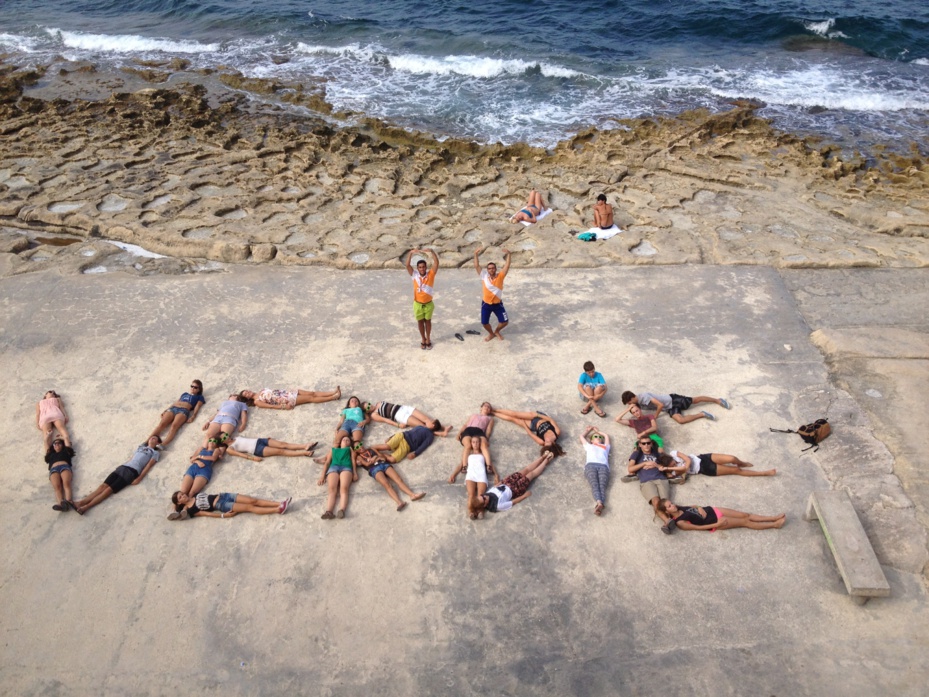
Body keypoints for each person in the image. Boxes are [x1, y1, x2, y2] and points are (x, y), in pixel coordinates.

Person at [73, 436, 162, 514]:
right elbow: (132, 458)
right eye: (151, 437)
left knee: (108, 490)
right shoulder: (141, 447)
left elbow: (149, 465)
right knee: (102, 486)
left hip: (132, 471)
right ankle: (81, 503)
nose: (152, 438)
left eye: (155, 438)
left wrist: (139, 478)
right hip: (123, 467)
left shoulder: (155, 453)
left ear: (158, 442)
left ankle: (86, 507)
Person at [468, 451, 554, 516]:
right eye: (484, 498)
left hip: (507, 482)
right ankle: (546, 460)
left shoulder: (487, 495)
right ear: (485, 504)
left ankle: (542, 457)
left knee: (526, 469)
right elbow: (513, 502)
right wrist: (524, 496)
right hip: (515, 489)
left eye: (482, 495)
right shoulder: (498, 505)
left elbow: (495, 487)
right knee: (531, 474)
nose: (485, 496)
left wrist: (503, 480)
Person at [626, 437, 675, 533]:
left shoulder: (656, 453)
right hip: (646, 481)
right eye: (643, 443)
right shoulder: (637, 454)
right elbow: (630, 469)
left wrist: (655, 465)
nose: (646, 445)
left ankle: (669, 522)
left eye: (648, 443)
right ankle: (667, 521)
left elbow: (665, 467)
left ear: (651, 444)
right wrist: (644, 463)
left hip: (661, 479)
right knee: (655, 501)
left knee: (665, 503)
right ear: (639, 445)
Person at [357, 448, 426, 511]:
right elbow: (366, 464)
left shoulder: (371, 449)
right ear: (355, 450)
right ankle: (399, 502)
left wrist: (375, 457)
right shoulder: (359, 457)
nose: (360, 447)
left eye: (360, 444)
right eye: (357, 447)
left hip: (384, 464)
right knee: (386, 484)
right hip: (374, 469)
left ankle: (412, 495)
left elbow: (383, 457)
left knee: (398, 479)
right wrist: (376, 458)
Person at [657, 499, 786, 532]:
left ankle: (773, 517)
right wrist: (717, 525)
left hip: (713, 510)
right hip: (715, 521)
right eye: (669, 506)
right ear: (667, 512)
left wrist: (700, 508)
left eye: (671, 503)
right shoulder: (680, 522)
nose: (673, 505)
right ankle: (774, 525)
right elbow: (699, 528)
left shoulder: (679, 507)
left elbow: (695, 505)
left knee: (745, 514)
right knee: (745, 522)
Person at [449, 435, 499, 517]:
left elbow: (491, 465)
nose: (475, 444)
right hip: (471, 475)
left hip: (481, 475)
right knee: (471, 495)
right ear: (471, 444)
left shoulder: (483, 454)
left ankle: (480, 511)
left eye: (477, 442)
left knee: (481, 495)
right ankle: (471, 511)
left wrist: (496, 474)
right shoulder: (468, 454)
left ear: (479, 443)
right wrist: (453, 475)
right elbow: (461, 465)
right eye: (473, 442)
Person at [314, 396, 371, 468]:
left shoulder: (361, 409)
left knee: (357, 443)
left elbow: (368, 419)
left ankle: (357, 459)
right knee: (337, 441)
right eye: (352, 401)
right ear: (349, 405)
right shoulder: (346, 410)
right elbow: (341, 421)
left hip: (357, 424)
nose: (354, 402)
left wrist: (364, 422)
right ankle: (326, 458)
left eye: (356, 401)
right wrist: (337, 428)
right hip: (346, 424)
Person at [148, 379, 205, 447]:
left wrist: (193, 416)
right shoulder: (184, 394)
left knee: (174, 426)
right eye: (192, 386)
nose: (193, 388)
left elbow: (197, 406)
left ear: (199, 389)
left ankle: (162, 445)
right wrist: (166, 410)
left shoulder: (199, 397)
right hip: (173, 408)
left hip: (183, 410)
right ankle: (147, 441)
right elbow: (176, 402)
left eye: (195, 387)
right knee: (162, 424)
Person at [621, 390, 730, 425]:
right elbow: (637, 413)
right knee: (680, 420)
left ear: (632, 399)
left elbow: (660, 405)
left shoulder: (644, 397)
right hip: (669, 408)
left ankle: (718, 400)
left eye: (628, 403)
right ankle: (702, 414)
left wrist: (655, 416)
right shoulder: (638, 403)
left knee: (695, 400)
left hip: (672, 400)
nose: (629, 405)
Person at [489, 407, 564, 457]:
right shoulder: (557, 432)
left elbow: (530, 434)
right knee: (515, 414)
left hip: (533, 425)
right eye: (548, 443)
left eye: (545, 444)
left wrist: (523, 424)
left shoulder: (541, 442)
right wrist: (537, 415)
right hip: (541, 417)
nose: (546, 441)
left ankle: (493, 413)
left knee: (513, 419)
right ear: (553, 443)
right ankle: (495, 409)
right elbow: (550, 420)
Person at [473, 245, 511, 341]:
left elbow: (507, 266)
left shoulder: (501, 276)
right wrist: (475, 254)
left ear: (495, 269)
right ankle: (491, 334)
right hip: (486, 304)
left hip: (498, 304)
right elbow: (476, 266)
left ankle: (497, 331)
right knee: (484, 323)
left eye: (493, 268)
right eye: (489, 268)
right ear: (487, 270)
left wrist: (509, 254)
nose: (491, 270)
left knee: (505, 321)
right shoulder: (484, 276)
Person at [169, 491, 291, 520]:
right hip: (222, 504)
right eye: (180, 497)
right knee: (250, 508)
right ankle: (277, 509)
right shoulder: (191, 510)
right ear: (179, 502)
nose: (183, 495)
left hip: (225, 495)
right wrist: (223, 515)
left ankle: (280, 503)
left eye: (182, 494)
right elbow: (206, 513)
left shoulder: (194, 494)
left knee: (253, 501)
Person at [657, 452, 776, 481]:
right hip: (705, 469)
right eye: (672, 464)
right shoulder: (672, 472)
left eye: (673, 461)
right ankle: (764, 473)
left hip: (703, 458)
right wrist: (669, 469)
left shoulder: (673, 454)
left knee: (732, 458)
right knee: (736, 470)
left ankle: (743, 462)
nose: (674, 463)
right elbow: (683, 469)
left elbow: (687, 460)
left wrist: (684, 467)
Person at [317, 435, 358, 519]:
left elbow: (353, 461)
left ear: (350, 443)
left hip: (346, 467)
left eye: (348, 440)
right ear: (340, 442)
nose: (346, 441)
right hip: (334, 467)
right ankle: (329, 511)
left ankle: (342, 510)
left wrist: (355, 473)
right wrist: (322, 476)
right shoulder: (333, 450)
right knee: (332, 489)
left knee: (344, 488)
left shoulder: (350, 449)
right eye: (344, 439)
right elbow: (327, 462)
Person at [406, 248, 439, 350]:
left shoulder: (431, 275)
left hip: (428, 304)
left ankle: (428, 339)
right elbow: (407, 265)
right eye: (419, 267)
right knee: (420, 322)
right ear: (417, 268)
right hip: (417, 304)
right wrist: (410, 253)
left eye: (423, 267)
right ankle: (423, 339)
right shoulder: (414, 275)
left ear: (425, 267)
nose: (422, 269)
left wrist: (432, 252)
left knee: (428, 321)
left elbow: (436, 263)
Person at [366, 401, 451, 435]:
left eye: (368, 404)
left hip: (403, 408)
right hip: (398, 415)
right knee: (422, 426)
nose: (370, 406)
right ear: (367, 411)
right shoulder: (374, 415)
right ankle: (440, 433)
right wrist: (398, 425)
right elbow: (386, 420)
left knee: (427, 419)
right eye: (367, 407)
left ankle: (443, 427)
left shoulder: (379, 402)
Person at [580, 426, 611, 516]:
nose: (598, 438)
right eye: (595, 437)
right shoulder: (588, 446)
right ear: (591, 440)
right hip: (590, 466)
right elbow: (581, 437)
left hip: (603, 467)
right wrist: (588, 430)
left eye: (599, 437)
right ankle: (599, 503)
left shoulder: (606, 447)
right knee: (594, 485)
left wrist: (599, 432)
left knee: (602, 486)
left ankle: (599, 504)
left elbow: (606, 436)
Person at [369, 425, 439, 463]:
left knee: (392, 460)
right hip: (402, 436)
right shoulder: (420, 426)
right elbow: (407, 431)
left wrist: (415, 454)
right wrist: (391, 437)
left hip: (407, 446)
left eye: (429, 421)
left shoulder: (430, 436)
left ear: (433, 425)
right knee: (386, 446)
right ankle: (369, 449)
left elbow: (424, 446)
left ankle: (377, 455)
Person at [239, 386, 340, 410]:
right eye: (246, 394)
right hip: (286, 399)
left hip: (287, 393)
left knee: (312, 393)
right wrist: (284, 406)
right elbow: (270, 406)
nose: (248, 393)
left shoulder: (261, 391)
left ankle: (332, 392)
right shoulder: (257, 402)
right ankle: (333, 397)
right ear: (246, 398)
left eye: (246, 391)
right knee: (310, 398)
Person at [225, 436, 318, 462]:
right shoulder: (230, 448)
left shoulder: (236, 437)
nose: (227, 436)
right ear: (222, 441)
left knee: (283, 444)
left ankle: (305, 446)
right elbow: (241, 455)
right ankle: (303, 453)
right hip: (257, 449)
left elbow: (247, 439)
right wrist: (253, 458)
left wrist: (264, 437)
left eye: (226, 434)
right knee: (280, 451)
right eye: (224, 437)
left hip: (259, 441)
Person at [45, 437, 76, 512]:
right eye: (55, 443)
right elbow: (46, 444)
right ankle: (60, 504)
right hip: (53, 469)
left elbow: (66, 439)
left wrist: (62, 437)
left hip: (64, 466)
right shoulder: (51, 454)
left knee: (66, 483)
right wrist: (48, 436)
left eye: (59, 443)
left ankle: (68, 501)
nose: (57, 444)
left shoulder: (66, 451)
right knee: (57, 487)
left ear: (62, 445)